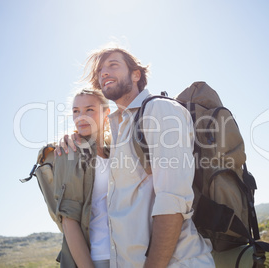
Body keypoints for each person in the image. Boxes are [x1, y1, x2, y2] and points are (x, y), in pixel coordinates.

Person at [57, 47, 215, 268]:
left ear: (136, 75)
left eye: (113, 65)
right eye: (100, 70)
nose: (104, 73)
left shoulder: (159, 109)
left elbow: (172, 201)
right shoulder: (121, 129)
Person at [54, 88, 111, 268]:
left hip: (129, 253)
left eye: (89, 109)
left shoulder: (115, 151)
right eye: (76, 111)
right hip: (98, 256)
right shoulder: (69, 152)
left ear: (106, 113)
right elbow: (68, 219)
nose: (81, 116)